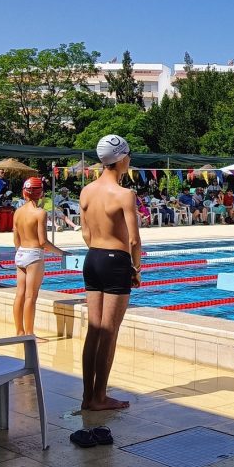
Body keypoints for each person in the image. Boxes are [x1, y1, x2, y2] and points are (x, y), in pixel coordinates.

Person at [77, 134, 140, 411]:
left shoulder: (86, 192)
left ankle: (87, 395)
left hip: (92, 259)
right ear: (122, 158)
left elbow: (86, 233)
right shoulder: (125, 194)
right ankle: (100, 397)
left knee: (94, 330)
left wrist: (101, 253)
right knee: (109, 332)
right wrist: (135, 268)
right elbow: (135, 240)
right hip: (116, 261)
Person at [13, 177, 68, 340]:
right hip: (34, 256)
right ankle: (29, 334)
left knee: (19, 295)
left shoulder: (17, 212)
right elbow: (43, 242)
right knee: (31, 296)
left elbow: (15, 238)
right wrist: (61, 253)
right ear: (41, 194)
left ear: (24, 192)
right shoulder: (40, 213)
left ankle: (19, 332)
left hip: (21, 253)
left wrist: (20, 252)